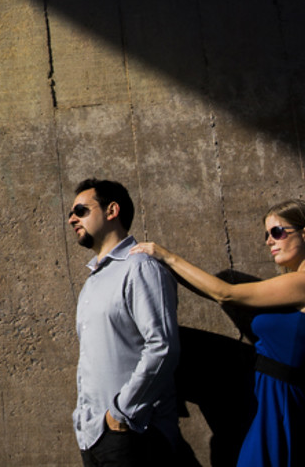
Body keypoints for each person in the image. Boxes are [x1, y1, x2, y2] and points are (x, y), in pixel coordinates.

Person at [130, 199, 305, 467]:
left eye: (277, 232)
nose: (269, 241)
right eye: (267, 234)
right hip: (268, 395)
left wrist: (166, 256)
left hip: (282, 401)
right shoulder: (301, 283)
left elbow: (225, 294)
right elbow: (221, 294)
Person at [70, 178, 181, 467]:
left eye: (80, 211)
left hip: (134, 432)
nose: (71, 219)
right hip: (95, 434)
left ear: (112, 210)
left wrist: (120, 413)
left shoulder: (140, 268)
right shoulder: (93, 281)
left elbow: (163, 347)